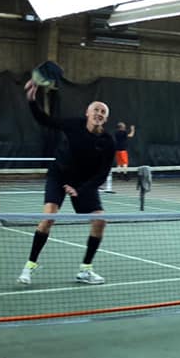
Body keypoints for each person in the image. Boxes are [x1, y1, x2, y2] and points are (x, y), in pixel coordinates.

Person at [17, 80, 115, 285]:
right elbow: (44, 120)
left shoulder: (108, 142)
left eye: (103, 112)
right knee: (48, 217)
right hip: (59, 175)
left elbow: (102, 174)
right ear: (88, 113)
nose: (99, 113)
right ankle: (29, 266)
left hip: (84, 182)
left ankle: (85, 270)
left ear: (106, 118)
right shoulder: (73, 125)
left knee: (100, 221)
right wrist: (31, 100)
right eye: (96, 110)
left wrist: (80, 189)